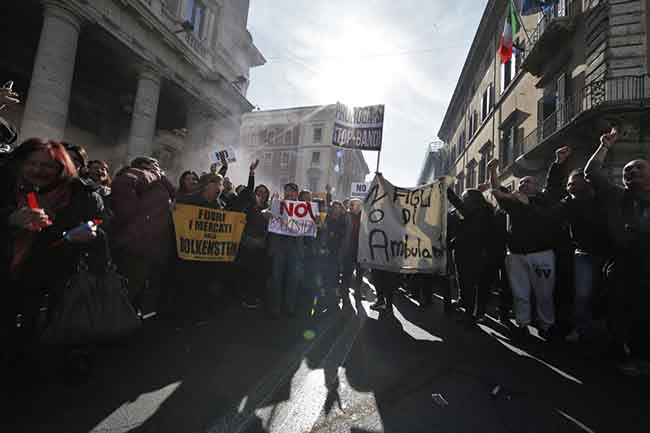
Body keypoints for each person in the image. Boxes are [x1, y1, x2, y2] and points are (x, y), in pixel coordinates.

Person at [1, 138, 105, 378]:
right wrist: (10, 218)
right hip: (6, 269)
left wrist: (85, 235)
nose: (38, 170)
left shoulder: (81, 195)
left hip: (48, 276)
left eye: (47, 166)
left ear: (62, 168)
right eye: (32, 163)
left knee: (33, 329)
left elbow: (99, 227)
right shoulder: (6, 184)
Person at [584, 128, 650, 375]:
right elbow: (592, 172)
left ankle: (643, 357)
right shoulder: (617, 197)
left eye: (639, 168)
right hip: (623, 267)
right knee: (620, 313)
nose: (632, 171)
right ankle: (622, 354)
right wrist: (605, 146)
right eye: (627, 171)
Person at [543, 146, 611, 343]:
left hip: (609, 254)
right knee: (581, 296)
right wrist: (558, 164)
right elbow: (553, 190)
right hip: (583, 255)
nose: (570, 187)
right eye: (569, 184)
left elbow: (595, 174)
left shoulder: (601, 198)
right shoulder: (568, 203)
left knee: (607, 295)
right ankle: (582, 331)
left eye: (575, 183)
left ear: (586, 184)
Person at [488, 160, 562, 340]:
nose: (522, 184)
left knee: (544, 293)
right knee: (520, 293)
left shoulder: (545, 201)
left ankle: (547, 325)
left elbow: (549, 218)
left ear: (537, 187)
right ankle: (522, 323)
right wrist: (492, 170)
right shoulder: (513, 203)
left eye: (527, 181)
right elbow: (498, 190)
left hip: (541, 255)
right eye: (521, 182)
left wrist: (528, 204)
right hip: (516, 256)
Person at [110, 156, 175, 316]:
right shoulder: (140, 174)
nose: (159, 168)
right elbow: (123, 189)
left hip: (150, 245)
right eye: (156, 165)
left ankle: (127, 322)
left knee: (138, 290)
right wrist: (136, 218)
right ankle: (112, 325)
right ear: (147, 165)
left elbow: (175, 195)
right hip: (137, 243)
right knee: (127, 290)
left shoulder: (159, 183)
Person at [446, 187, 495, 326]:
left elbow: (461, 209)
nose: (463, 200)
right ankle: (470, 310)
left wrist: (447, 190)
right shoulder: (475, 211)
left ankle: (469, 315)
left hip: (473, 253)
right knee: (464, 283)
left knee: (469, 284)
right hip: (463, 252)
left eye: (465, 197)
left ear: (473, 199)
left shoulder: (481, 210)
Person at [266, 182, 304, 318]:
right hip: (279, 246)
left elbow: (308, 226)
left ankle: (290, 307)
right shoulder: (277, 204)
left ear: (296, 193)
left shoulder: (304, 208)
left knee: (293, 278)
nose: (290, 193)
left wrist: (315, 221)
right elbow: (266, 212)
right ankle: (275, 307)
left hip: (295, 247)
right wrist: (267, 213)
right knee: (277, 277)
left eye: (292, 191)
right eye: (287, 191)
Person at [238, 182, 270, 309]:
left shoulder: (269, 209)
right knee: (248, 271)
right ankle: (245, 296)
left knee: (259, 272)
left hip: (262, 243)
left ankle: (255, 297)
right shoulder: (248, 207)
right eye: (259, 192)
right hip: (248, 242)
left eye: (264, 192)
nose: (261, 194)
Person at [341, 198, 363, 300]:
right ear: (350, 206)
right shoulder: (346, 216)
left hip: (361, 249)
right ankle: (344, 290)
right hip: (349, 247)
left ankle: (358, 291)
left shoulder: (364, 217)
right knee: (347, 271)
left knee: (360, 272)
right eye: (355, 205)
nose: (357, 207)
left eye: (359, 205)